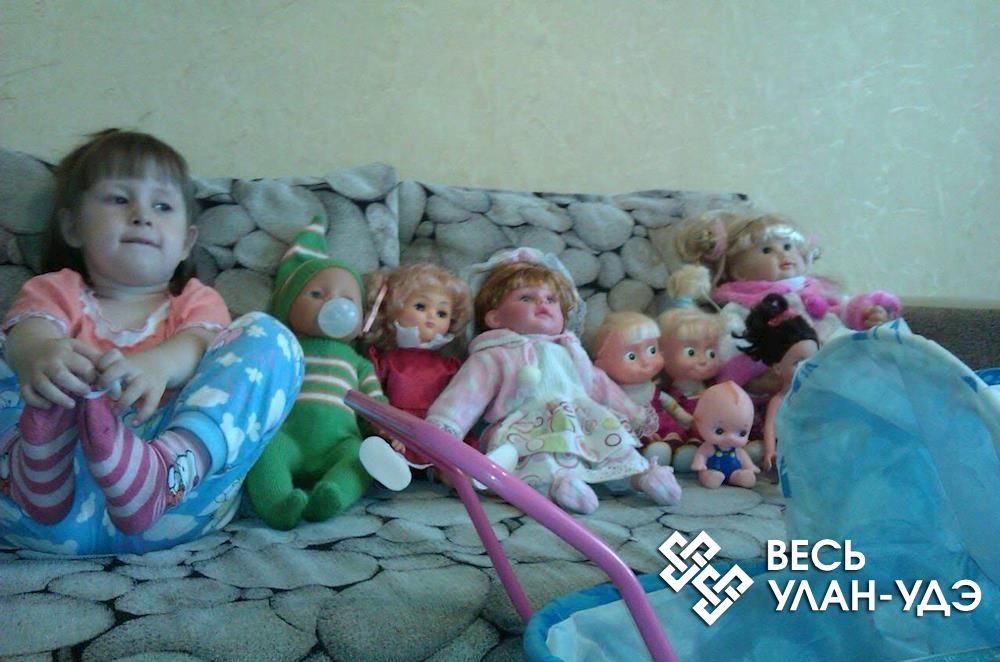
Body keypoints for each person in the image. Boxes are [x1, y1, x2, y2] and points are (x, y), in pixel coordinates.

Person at [0, 129, 301, 554]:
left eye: (162, 206)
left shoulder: (195, 301)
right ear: (72, 226)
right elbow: (31, 330)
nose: (142, 215)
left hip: (171, 507)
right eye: (118, 199)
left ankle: (171, 464)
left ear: (186, 243)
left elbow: (197, 344)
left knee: (269, 338)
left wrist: (157, 365)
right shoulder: (54, 290)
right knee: (12, 350)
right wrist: (40, 355)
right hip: (40, 509)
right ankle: (32, 467)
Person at [425, 247, 681, 515]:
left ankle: (639, 475)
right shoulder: (494, 355)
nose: (542, 303)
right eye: (526, 297)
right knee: (540, 456)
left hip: (585, 420)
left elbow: (599, 385)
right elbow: (468, 392)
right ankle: (556, 485)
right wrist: (446, 427)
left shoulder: (570, 351)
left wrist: (634, 415)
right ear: (495, 317)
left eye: (551, 299)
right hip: (526, 426)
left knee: (614, 443)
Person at [244, 223, 383, 529]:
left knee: (361, 458)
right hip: (288, 437)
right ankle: (277, 503)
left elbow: (377, 404)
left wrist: (387, 430)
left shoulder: (358, 364)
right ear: (287, 308)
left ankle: (332, 495)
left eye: (348, 299)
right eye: (317, 294)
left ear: (361, 320)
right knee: (264, 449)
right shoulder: (285, 348)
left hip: (341, 443)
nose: (333, 303)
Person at [674, 210, 899, 390]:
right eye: (767, 250)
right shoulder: (742, 305)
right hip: (782, 379)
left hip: (836, 368)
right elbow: (733, 341)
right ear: (739, 271)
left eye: (788, 246)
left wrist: (867, 312)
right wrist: (750, 378)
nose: (783, 254)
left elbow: (843, 308)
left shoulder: (816, 288)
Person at [356, 262, 474, 488]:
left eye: (441, 313)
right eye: (420, 306)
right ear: (392, 309)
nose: (431, 316)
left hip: (436, 431)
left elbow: (460, 402)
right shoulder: (384, 360)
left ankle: (456, 472)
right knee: (383, 443)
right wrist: (383, 428)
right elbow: (372, 396)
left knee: (455, 446)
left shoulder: (449, 366)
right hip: (396, 430)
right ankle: (392, 467)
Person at [734, 293, 819, 470]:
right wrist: (770, 451)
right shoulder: (779, 400)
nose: (806, 368)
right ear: (778, 368)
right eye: (797, 363)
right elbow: (770, 427)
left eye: (812, 360)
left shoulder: (818, 393)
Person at [588, 311, 673, 467]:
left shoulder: (654, 388)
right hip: (631, 432)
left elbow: (670, 405)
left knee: (673, 435)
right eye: (631, 356)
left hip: (663, 425)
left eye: (652, 351)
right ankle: (650, 455)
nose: (646, 362)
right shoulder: (612, 393)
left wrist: (685, 418)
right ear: (601, 364)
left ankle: (677, 449)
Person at [689, 381, 759, 488]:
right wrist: (699, 463)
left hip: (733, 472)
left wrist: (750, 466)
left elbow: (744, 460)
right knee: (707, 475)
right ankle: (709, 477)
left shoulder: (738, 450)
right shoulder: (708, 447)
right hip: (712, 470)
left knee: (742, 475)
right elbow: (701, 455)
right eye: (719, 431)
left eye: (742, 433)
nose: (731, 438)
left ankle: (739, 477)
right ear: (698, 422)